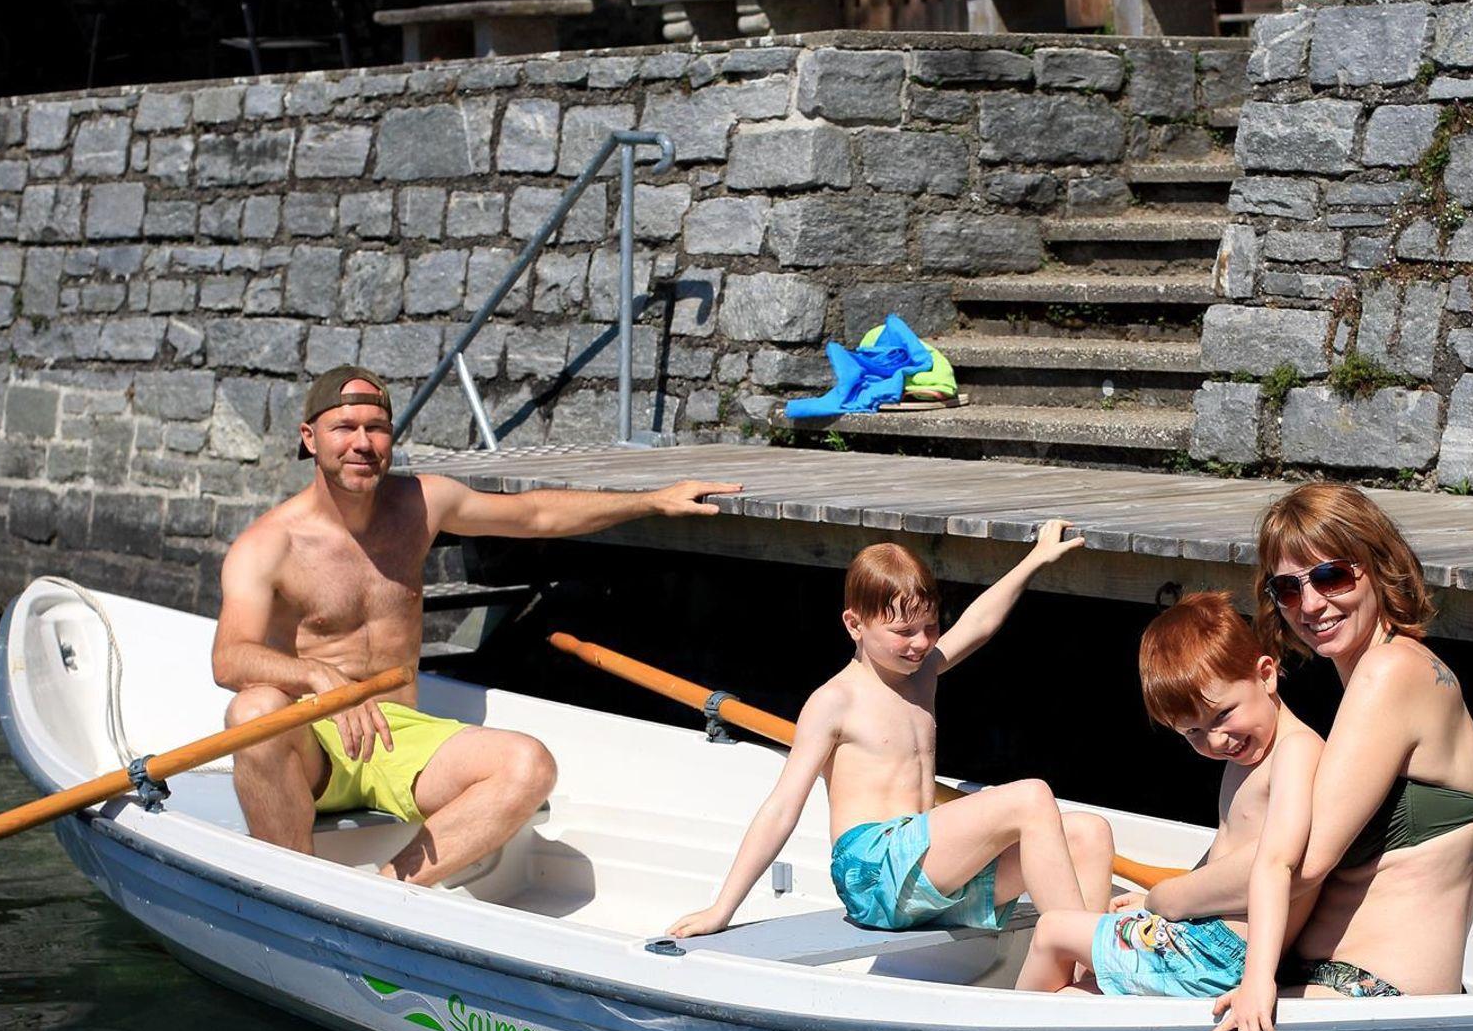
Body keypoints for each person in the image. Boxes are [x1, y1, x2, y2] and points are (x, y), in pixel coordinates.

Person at [213, 365, 739, 885]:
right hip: (315, 741)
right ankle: (294, 888)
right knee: (253, 711)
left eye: (376, 428)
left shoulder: (422, 504)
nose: (363, 444)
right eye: (344, 428)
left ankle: (383, 891)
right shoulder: (269, 543)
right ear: (309, 438)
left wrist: (651, 501)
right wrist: (317, 675)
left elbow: (534, 516)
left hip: (400, 738)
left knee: (528, 766)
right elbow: (229, 658)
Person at [666, 527, 1115, 939]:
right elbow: (783, 806)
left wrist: (1034, 559)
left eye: (930, 627)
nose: (920, 643)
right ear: (854, 625)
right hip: (874, 874)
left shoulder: (923, 673)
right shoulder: (836, 700)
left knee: (1089, 834)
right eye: (903, 631)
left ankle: (1084, 981)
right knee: (1031, 797)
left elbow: (978, 624)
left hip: (926, 871)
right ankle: (1081, 947)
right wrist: (722, 908)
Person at [1207, 484, 1473, 1031]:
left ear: (1379, 566)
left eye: (1331, 576)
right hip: (1346, 987)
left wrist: (1166, 899)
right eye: (1287, 588)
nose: (1310, 605)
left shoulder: (1387, 672)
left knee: (1087, 980)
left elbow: (1302, 865)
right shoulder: (1388, 673)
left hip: (1370, 994)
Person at [1015, 592, 1322, 996]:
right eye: (1193, 732)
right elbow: (1221, 855)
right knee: (1078, 993)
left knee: (1053, 930)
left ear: (1265, 674)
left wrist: (1257, 979)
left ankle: (1002, 1030)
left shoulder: (1296, 750)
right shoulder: (1248, 757)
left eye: (1224, 714)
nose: (1217, 740)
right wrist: (1151, 903)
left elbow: (1279, 861)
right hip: (1201, 942)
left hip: (1219, 953)